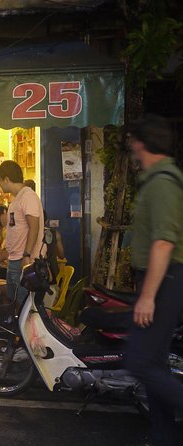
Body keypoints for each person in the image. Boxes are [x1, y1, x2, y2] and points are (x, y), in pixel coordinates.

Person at [124, 114, 183, 446]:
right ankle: (164, 436)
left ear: (143, 143)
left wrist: (148, 297)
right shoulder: (157, 178)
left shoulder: (162, 182)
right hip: (162, 278)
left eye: (134, 141)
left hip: (165, 279)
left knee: (140, 361)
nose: (132, 148)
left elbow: (164, 242)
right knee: (154, 363)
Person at [0, 160, 44, 304]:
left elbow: (34, 227)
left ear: (6, 179)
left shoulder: (28, 196)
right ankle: (17, 326)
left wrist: (27, 255)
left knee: (23, 301)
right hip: (14, 258)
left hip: (23, 259)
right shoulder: (17, 198)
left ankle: (25, 327)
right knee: (13, 299)